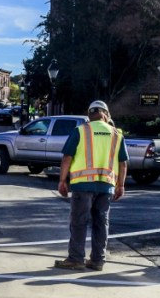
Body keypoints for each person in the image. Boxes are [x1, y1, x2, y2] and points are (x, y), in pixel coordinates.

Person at [54, 100, 128, 271]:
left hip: (82, 185)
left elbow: (67, 157)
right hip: (106, 186)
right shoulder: (117, 134)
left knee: (79, 222)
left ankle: (76, 259)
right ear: (106, 114)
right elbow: (123, 163)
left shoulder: (81, 131)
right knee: (101, 223)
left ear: (90, 114)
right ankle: (97, 261)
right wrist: (121, 185)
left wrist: (62, 180)